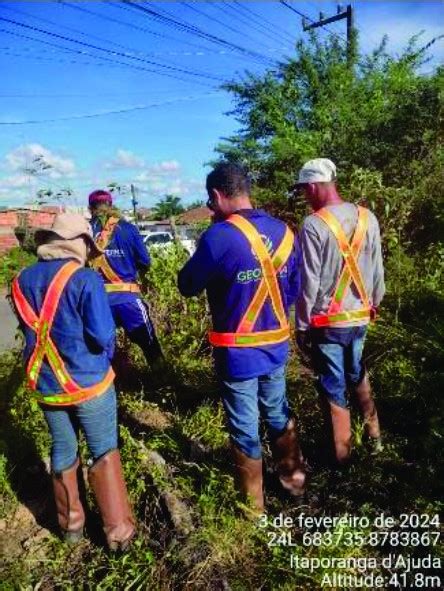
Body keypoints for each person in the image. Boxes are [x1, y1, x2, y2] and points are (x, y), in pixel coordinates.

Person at [178, 162, 305, 514]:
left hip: (237, 357)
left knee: (245, 427)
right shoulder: (285, 232)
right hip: (276, 347)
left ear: (218, 195)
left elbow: (186, 285)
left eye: (210, 202)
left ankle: (254, 509)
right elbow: (292, 291)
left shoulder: (218, 237)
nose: (210, 208)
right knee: (278, 413)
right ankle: (294, 484)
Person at [11, 213, 135, 551]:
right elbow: (102, 335)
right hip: (89, 384)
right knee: (104, 451)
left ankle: (71, 528)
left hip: (47, 385)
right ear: (79, 244)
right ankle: (119, 535)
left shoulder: (20, 280)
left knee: (63, 448)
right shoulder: (85, 280)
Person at [294, 158, 385, 466]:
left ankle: (342, 459)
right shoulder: (367, 217)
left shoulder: (314, 224)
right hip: (360, 318)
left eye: (305, 191)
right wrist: (372, 304)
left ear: (313, 186)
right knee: (358, 373)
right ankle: (375, 441)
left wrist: (302, 325)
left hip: (327, 323)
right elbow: (378, 274)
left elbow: (310, 281)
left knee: (333, 385)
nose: (305, 197)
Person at [88, 190, 163, 367]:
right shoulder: (128, 229)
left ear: (90, 208)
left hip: (98, 302)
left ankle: (113, 387)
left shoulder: (87, 231)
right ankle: (164, 382)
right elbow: (145, 262)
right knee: (151, 348)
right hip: (129, 300)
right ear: (111, 205)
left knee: (102, 354)